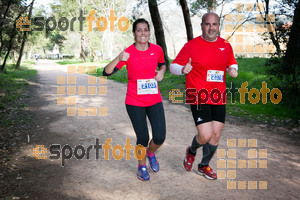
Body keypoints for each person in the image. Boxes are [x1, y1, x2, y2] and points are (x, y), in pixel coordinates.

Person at [170, 12, 238, 180]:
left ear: (218, 27)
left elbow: (232, 62)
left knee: (216, 134)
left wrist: (233, 69)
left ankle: (203, 165)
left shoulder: (225, 45)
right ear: (201, 26)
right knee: (205, 135)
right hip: (198, 94)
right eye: (207, 24)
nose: (211, 28)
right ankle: (191, 150)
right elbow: (173, 66)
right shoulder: (191, 45)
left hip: (218, 95)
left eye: (214, 24)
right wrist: (182, 69)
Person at [103, 18, 167, 181]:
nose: (143, 33)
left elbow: (162, 64)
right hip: (134, 101)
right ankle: (141, 166)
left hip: (154, 99)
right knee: (143, 137)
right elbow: (106, 72)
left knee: (159, 137)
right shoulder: (128, 53)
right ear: (134, 33)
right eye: (139, 30)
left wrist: (162, 71)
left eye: (145, 29)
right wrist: (119, 58)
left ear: (149, 32)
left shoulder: (157, 49)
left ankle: (151, 152)